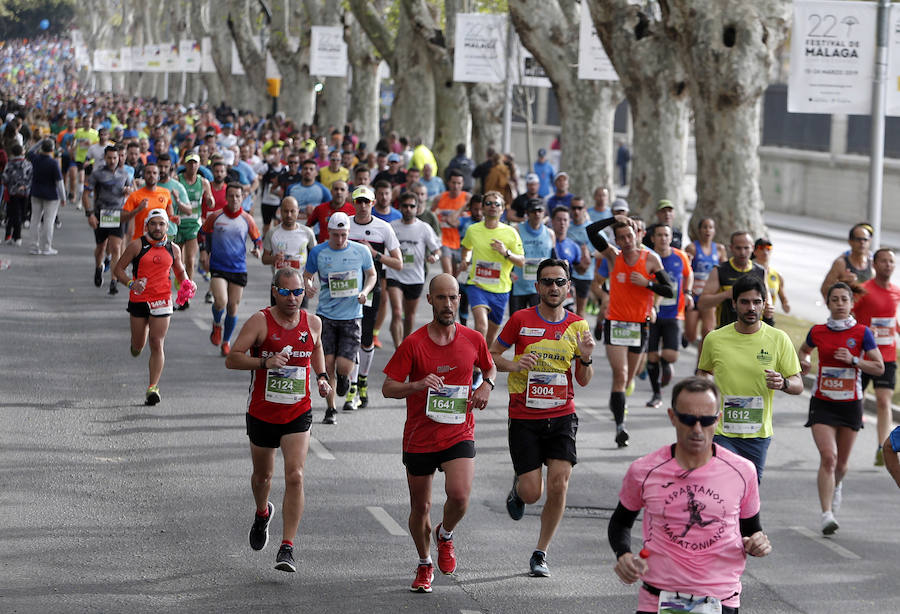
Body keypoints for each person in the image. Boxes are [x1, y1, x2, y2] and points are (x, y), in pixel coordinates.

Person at [608, 376, 771, 614]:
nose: (697, 429)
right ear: (672, 417)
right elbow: (620, 522)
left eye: (706, 421)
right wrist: (623, 554)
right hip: (659, 599)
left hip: (720, 600)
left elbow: (751, 529)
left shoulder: (743, 471)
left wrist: (757, 542)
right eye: (687, 419)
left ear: (718, 419)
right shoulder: (644, 470)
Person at [382, 273, 496, 593]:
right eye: (442, 298)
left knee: (459, 496)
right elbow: (388, 387)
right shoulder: (414, 343)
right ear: (430, 300)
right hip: (420, 436)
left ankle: (445, 534)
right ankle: (424, 562)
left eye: (453, 297)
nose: (448, 304)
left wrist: (486, 385)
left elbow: (489, 366)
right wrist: (417, 384)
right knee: (421, 508)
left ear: (460, 299)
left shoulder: (473, 338)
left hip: (459, 431)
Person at [490, 258, 594, 577]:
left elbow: (583, 380)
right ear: (537, 287)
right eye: (547, 281)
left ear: (568, 287)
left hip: (562, 415)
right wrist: (515, 364)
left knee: (559, 483)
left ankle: (540, 552)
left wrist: (586, 358)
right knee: (532, 493)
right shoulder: (520, 319)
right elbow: (492, 356)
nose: (553, 287)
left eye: (559, 281)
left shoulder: (578, 326)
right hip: (524, 416)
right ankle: (519, 487)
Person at [225, 267, 331, 573]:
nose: (292, 298)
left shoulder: (313, 322)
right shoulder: (260, 321)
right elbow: (233, 358)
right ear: (275, 291)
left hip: (298, 411)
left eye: (298, 292)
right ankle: (262, 513)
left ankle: (287, 547)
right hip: (262, 412)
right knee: (263, 477)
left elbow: (316, 348)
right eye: (285, 292)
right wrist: (264, 362)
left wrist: (322, 377)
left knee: (295, 475)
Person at [697, 275, 803, 480]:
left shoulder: (778, 339)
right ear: (734, 304)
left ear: (764, 304)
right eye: (745, 302)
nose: (751, 308)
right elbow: (703, 373)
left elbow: (798, 383)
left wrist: (784, 383)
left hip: (758, 435)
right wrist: (704, 395)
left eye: (756, 302)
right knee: (724, 483)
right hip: (720, 431)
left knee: (748, 491)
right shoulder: (715, 338)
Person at [798, 282, 883, 534]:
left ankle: (836, 486)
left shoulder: (862, 332)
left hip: (850, 405)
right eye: (834, 299)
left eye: (844, 299)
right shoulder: (818, 331)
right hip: (823, 402)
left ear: (851, 303)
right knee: (829, 457)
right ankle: (826, 514)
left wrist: (855, 360)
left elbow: (879, 367)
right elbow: (803, 351)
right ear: (828, 303)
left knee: (842, 465)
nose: (839, 304)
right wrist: (803, 362)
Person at [587, 215, 673, 447]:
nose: (626, 241)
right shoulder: (613, 257)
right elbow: (591, 231)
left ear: (637, 236)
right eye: (621, 238)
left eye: (629, 236)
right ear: (616, 240)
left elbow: (669, 290)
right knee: (621, 375)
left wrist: (648, 284)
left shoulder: (651, 259)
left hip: (639, 325)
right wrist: (614, 218)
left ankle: (618, 401)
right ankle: (620, 428)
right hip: (615, 323)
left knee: (629, 379)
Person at [112, 208, 192, 405]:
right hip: (139, 300)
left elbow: (180, 271)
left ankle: (153, 387)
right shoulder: (136, 246)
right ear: (147, 225)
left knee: (156, 342)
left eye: (161, 224)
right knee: (139, 344)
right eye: (153, 224)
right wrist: (131, 284)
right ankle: (136, 345)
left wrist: (188, 283)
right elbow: (118, 269)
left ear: (167, 226)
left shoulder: (173, 249)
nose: (157, 228)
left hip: (162, 300)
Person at [304, 211, 377, 425]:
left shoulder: (361, 251)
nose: (340, 239)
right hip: (326, 315)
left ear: (349, 232)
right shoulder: (318, 252)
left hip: (352, 316)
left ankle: (344, 377)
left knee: (343, 366)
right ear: (329, 232)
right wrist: (308, 286)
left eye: (344, 235)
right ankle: (331, 408)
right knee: (327, 364)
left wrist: (365, 291)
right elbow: (307, 275)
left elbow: (372, 274)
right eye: (336, 235)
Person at [345, 185, 402, 411]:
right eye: (358, 201)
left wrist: (375, 253)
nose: (362, 206)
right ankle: (352, 387)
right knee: (352, 337)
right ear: (353, 203)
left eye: (366, 202)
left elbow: (398, 263)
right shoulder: (345, 223)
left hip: (371, 289)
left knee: (366, 339)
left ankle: (363, 380)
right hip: (346, 288)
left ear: (373, 203)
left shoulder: (383, 228)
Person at [851, 248, 900, 466]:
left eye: (891, 261)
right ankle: (846, 442)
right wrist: (861, 331)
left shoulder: (896, 292)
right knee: (856, 400)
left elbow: (891, 319)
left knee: (883, 401)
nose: (888, 265)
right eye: (884, 261)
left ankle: (882, 447)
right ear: (874, 264)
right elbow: (848, 314)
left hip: (887, 356)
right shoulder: (864, 290)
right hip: (864, 356)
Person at [202, 183, 263, 356]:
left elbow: (257, 239)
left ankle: (226, 342)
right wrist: (204, 252)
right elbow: (203, 233)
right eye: (231, 196)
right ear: (226, 197)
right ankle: (216, 325)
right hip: (218, 266)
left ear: (243, 198)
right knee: (220, 301)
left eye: (238, 196)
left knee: (232, 307)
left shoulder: (247, 219)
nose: (234, 199)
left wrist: (257, 249)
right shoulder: (216, 216)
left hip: (238, 268)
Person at [460, 191, 525, 347]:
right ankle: (475, 362)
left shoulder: (510, 232)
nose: (492, 206)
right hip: (477, 285)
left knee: (490, 337)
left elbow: (521, 262)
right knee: (481, 326)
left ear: (502, 209)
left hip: (500, 289)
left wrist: (505, 252)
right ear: (482, 208)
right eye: (488, 203)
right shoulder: (473, 230)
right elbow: (466, 247)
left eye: (497, 204)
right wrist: (465, 260)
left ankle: (483, 358)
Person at [645, 224, 692, 408]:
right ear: (653, 238)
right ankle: (656, 393)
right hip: (652, 312)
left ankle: (666, 364)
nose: (663, 238)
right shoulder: (647, 257)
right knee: (651, 357)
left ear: (671, 237)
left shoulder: (680, 256)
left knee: (671, 355)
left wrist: (687, 292)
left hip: (674, 312)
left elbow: (689, 274)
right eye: (660, 235)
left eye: (666, 235)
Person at [386, 191, 441, 346]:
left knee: (409, 316)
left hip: (415, 276)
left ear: (417, 208)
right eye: (405, 206)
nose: (408, 209)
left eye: (412, 206)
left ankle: (406, 344)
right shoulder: (392, 227)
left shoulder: (424, 228)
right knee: (397, 312)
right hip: (394, 274)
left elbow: (437, 250)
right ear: (400, 207)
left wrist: (434, 257)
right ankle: (398, 348)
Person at [697, 230, 770, 329]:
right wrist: (726, 294)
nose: (742, 252)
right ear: (731, 248)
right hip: (726, 330)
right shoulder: (720, 270)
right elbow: (702, 303)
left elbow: (767, 301)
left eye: (746, 248)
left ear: (752, 248)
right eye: (738, 248)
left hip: (755, 331)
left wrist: (769, 310)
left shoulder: (760, 271)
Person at [84, 145, 132, 294]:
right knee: (101, 247)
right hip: (101, 214)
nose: (112, 161)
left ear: (119, 158)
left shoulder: (124, 174)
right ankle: (99, 267)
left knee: (116, 247)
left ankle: (113, 280)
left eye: (115, 158)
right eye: (109, 158)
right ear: (104, 158)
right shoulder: (97, 174)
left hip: (118, 214)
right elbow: (85, 195)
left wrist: (128, 191)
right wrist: (90, 214)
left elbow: (131, 193)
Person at [261, 197, 316, 306]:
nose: (289, 215)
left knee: (301, 315)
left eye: (292, 211)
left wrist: (309, 277)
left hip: (300, 285)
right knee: (278, 315)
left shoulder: (307, 232)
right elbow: (264, 259)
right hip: (279, 286)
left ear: (298, 211)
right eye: (286, 211)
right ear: (280, 212)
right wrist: (274, 258)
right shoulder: (272, 233)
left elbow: (315, 257)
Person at [174, 153, 213, 301]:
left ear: (199, 164)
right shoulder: (178, 180)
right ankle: (180, 282)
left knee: (190, 260)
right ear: (185, 164)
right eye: (190, 163)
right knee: (178, 262)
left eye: (195, 163)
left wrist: (209, 200)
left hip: (194, 225)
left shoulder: (203, 182)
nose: (192, 166)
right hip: (179, 224)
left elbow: (211, 201)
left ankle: (187, 293)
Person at [683, 217, 727, 346]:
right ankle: (685, 335)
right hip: (695, 296)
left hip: (709, 297)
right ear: (699, 230)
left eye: (710, 227)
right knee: (691, 335)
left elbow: (725, 271)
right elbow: (685, 272)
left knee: (708, 333)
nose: (708, 230)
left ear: (714, 231)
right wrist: (686, 292)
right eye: (705, 227)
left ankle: (701, 360)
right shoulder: (691, 248)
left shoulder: (719, 249)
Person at [509, 199, 554, 314]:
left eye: (540, 210)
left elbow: (553, 258)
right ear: (527, 213)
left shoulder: (550, 233)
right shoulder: (516, 230)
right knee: (517, 320)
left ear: (544, 212)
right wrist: (510, 272)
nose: (537, 214)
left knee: (538, 321)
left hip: (540, 286)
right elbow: (509, 253)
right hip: (519, 284)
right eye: (533, 211)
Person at [28, 138, 66, 255]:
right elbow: (59, 182)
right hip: (51, 195)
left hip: (36, 192)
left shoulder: (35, 159)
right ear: (52, 149)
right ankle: (46, 247)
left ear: (42, 148)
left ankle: (34, 246)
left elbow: (30, 151)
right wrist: (63, 197)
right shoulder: (53, 163)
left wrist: (41, 141)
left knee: (35, 220)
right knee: (49, 221)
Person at [121, 163, 175, 242]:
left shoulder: (165, 193)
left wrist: (174, 218)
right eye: (148, 173)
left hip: (160, 240)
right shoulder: (135, 195)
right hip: (141, 240)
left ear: (158, 176)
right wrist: (138, 209)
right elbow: (122, 217)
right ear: (144, 175)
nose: (151, 175)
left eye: (154, 173)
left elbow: (170, 214)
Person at [820, 222, 875, 298]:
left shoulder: (873, 263)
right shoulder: (841, 263)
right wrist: (841, 283)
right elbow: (824, 290)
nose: (862, 243)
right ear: (850, 241)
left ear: (870, 241)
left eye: (865, 240)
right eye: (858, 239)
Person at [432, 170, 470, 275]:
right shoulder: (439, 198)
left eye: (459, 183)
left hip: (461, 241)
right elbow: (430, 216)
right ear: (448, 183)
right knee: (448, 273)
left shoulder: (468, 199)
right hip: (444, 240)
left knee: (456, 274)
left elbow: (476, 216)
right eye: (453, 183)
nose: (456, 186)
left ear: (463, 184)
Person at [565, 197, 596, 317]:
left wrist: (590, 254)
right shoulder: (567, 226)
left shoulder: (591, 228)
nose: (576, 211)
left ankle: (580, 330)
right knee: (567, 310)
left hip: (585, 274)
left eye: (579, 208)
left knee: (580, 312)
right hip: (569, 274)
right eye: (574, 208)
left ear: (585, 209)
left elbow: (605, 250)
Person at [753, 237, 790, 321]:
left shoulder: (777, 275)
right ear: (754, 251)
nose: (765, 251)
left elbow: (784, 299)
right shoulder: (748, 271)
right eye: (761, 248)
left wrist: (786, 305)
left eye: (768, 248)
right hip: (751, 317)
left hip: (767, 318)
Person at [2, 143, 32, 246]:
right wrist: (26, 186)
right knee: (21, 214)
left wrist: (9, 185)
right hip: (24, 192)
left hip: (12, 192)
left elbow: (5, 178)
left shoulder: (10, 164)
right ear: (22, 152)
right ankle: (16, 236)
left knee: (12, 214)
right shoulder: (28, 164)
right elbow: (31, 178)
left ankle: (12, 236)